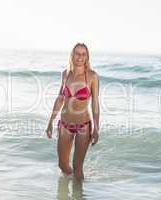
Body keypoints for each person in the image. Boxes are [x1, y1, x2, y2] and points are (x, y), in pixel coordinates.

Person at [46, 42, 100, 180]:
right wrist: (50, 121)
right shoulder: (66, 74)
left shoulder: (92, 76)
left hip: (84, 126)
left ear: (87, 56)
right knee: (62, 165)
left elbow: (95, 104)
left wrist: (96, 128)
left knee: (77, 167)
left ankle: (79, 194)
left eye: (83, 54)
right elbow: (60, 99)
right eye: (77, 53)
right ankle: (65, 190)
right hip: (65, 124)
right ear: (72, 55)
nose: (80, 57)